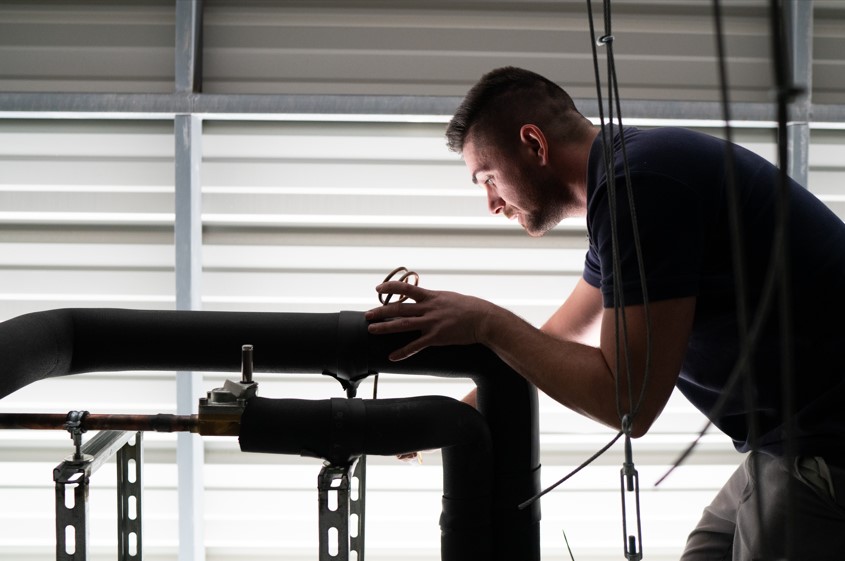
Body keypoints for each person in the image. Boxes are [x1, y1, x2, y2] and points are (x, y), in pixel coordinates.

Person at [364, 66, 845, 559]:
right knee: (707, 548)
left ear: (534, 143)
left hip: (825, 444)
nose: (491, 203)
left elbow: (627, 403)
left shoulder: (639, 186)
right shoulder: (626, 184)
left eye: (487, 177)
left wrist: (486, 321)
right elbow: (561, 336)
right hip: (787, 440)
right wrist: (438, 422)